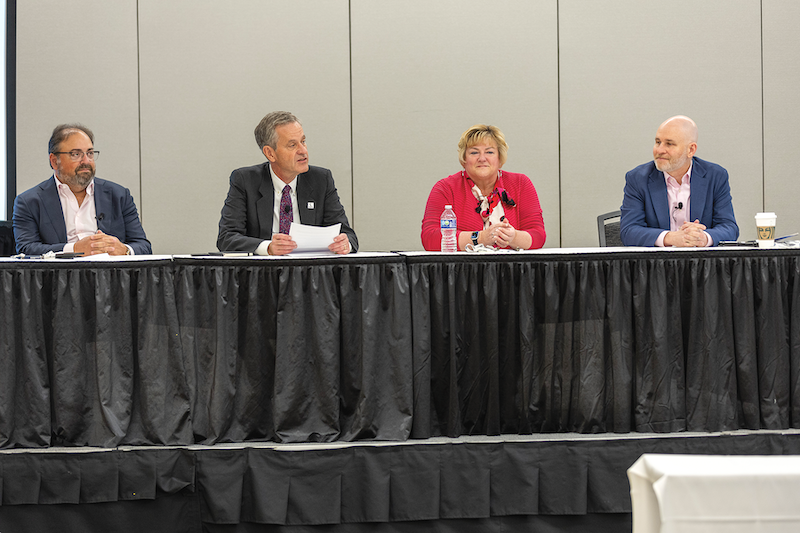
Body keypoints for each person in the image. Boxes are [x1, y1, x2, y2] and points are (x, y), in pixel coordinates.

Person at [217, 111, 357, 255]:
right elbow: (226, 238)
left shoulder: (321, 180)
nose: (303, 151)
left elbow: (349, 236)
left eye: (303, 141)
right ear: (270, 153)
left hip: (310, 273)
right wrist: (268, 247)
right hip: (263, 273)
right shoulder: (245, 181)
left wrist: (345, 245)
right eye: (292, 145)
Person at [13, 124, 151, 256]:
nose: (86, 161)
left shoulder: (119, 195)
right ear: (54, 161)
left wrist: (124, 250)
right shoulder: (29, 201)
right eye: (76, 154)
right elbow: (26, 249)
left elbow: (143, 246)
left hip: (110, 277)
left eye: (90, 153)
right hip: (59, 278)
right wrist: (74, 249)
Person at [421, 124, 546, 251]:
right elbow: (430, 238)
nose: (482, 158)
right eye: (474, 152)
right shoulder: (446, 188)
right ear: (464, 159)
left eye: (489, 152)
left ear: (499, 158)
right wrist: (480, 238)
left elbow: (538, 235)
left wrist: (513, 237)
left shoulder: (520, 184)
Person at [620, 115, 739, 247]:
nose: (659, 150)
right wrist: (670, 238)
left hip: (703, 264)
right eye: (658, 142)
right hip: (657, 264)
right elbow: (628, 231)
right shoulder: (638, 178)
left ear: (691, 150)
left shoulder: (715, 176)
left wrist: (702, 238)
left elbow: (729, 228)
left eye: (669, 144)